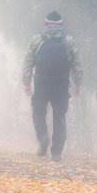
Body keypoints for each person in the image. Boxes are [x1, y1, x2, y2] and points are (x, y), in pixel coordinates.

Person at [22, 11, 84, 159]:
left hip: (41, 83)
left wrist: (27, 83)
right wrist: (78, 84)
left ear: (45, 24)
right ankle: (56, 152)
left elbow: (28, 63)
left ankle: (43, 137)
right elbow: (78, 65)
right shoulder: (68, 40)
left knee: (38, 113)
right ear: (61, 25)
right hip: (61, 84)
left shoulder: (37, 40)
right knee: (59, 116)